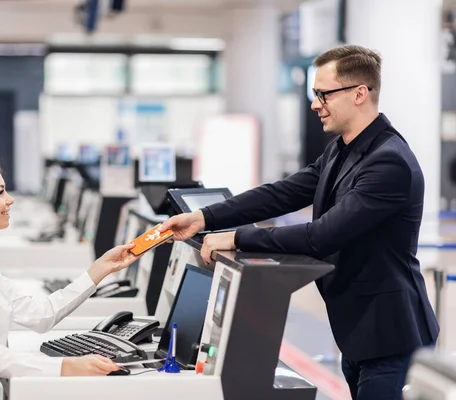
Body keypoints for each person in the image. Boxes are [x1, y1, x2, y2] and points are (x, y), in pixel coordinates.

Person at [159, 44, 439, 400]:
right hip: (359, 330)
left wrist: (237, 238)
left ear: (359, 94)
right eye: (314, 93)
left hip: (391, 333)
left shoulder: (389, 163)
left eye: (323, 94)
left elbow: (322, 236)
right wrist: (203, 217)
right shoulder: (342, 148)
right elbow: (282, 194)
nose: (314, 104)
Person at [0, 157, 139, 399]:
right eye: (0, 193)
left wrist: (101, 268)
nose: (9, 200)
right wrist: (67, 367)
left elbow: (41, 314)